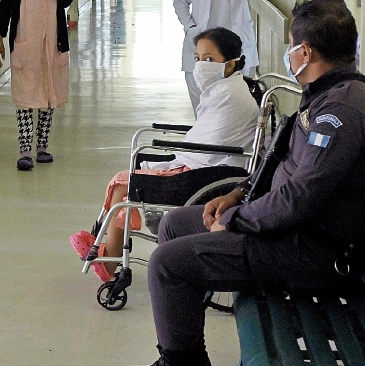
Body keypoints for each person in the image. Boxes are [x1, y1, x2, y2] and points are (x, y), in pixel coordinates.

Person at [146, 0, 365, 366]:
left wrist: (236, 221)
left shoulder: (340, 110)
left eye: (292, 47)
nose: (289, 54)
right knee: (174, 224)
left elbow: (299, 197)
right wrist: (237, 194)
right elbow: (281, 165)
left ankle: (180, 362)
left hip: (316, 251)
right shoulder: (325, 94)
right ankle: (183, 347)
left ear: (306, 53)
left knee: (167, 263)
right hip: (295, 231)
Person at [70, 27, 259, 281]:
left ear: (229, 65)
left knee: (122, 183)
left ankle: (110, 258)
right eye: (198, 58)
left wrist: (170, 154)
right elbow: (205, 137)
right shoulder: (225, 90)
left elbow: (206, 146)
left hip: (207, 175)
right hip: (208, 165)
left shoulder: (230, 96)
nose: (201, 65)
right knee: (127, 180)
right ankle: (105, 249)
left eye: (209, 59)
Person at [0, 0, 73, 171]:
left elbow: (65, 1)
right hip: (25, 40)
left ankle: (43, 146)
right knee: (26, 96)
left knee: (49, 94)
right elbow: (6, 3)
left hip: (53, 42)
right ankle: (25, 150)